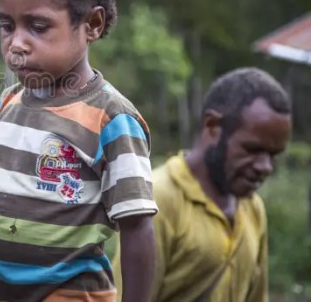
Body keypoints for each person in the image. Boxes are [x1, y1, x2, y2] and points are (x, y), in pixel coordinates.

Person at [0, 0, 158, 302]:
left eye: (37, 27)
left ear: (92, 24)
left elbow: (137, 229)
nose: (16, 43)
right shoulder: (8, 103)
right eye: (7, 26)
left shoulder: (111, 118)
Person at [113, 67, 292, 302]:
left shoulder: (253, 208)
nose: (265, 166)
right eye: (253, 150)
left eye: (273, 155)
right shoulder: (158, 199)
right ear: (212, 125)